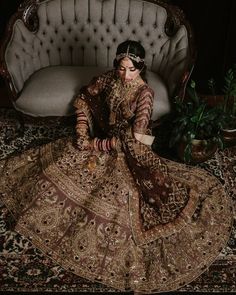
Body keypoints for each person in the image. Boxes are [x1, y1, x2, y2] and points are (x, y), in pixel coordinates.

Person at [0, 40, 232, 294]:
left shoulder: (144, 95)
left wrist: (96, 145)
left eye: (131, 69)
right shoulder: (110, 79)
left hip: (128, 148)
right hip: (102, 137)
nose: (125, 74)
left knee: (118, 194)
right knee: (58, 165)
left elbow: (135, 137)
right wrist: (80, 130)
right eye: (122, 68)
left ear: (141, 68)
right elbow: (84, 97)